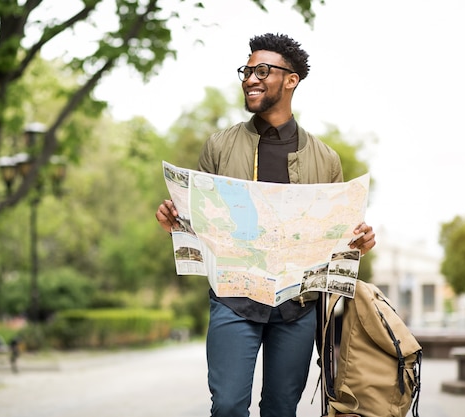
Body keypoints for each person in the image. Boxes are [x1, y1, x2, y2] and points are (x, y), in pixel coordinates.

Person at [155, 33, 376, 417]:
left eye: (262, 70)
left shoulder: (326, 160)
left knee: (280, 408)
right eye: (247, 70)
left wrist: (358, 241)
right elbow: (201, 225)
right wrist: (175, 221)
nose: (250, 79)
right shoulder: (219, 147)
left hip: (298, 307)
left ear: (291, 80)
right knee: (226, 406)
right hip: (234, 300)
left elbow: (335, 239)